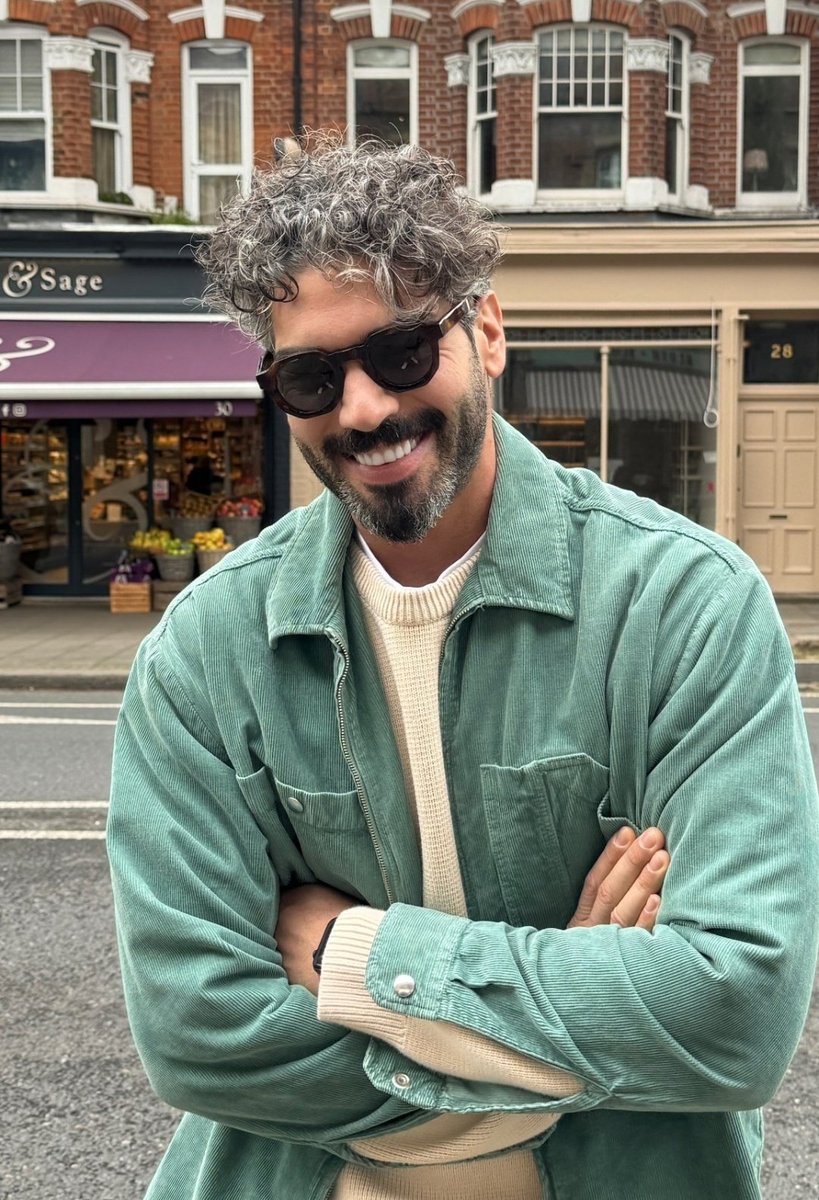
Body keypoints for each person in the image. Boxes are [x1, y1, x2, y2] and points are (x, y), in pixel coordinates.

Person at [107, 139, 819, 1200]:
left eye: (399, 353)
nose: (359, 409)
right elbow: (196, 1033)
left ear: (486, 331)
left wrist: (355, 955)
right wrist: (568, 999)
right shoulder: (204, 652)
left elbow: (732, 1015)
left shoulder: (686, 605)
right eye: (311, 375)